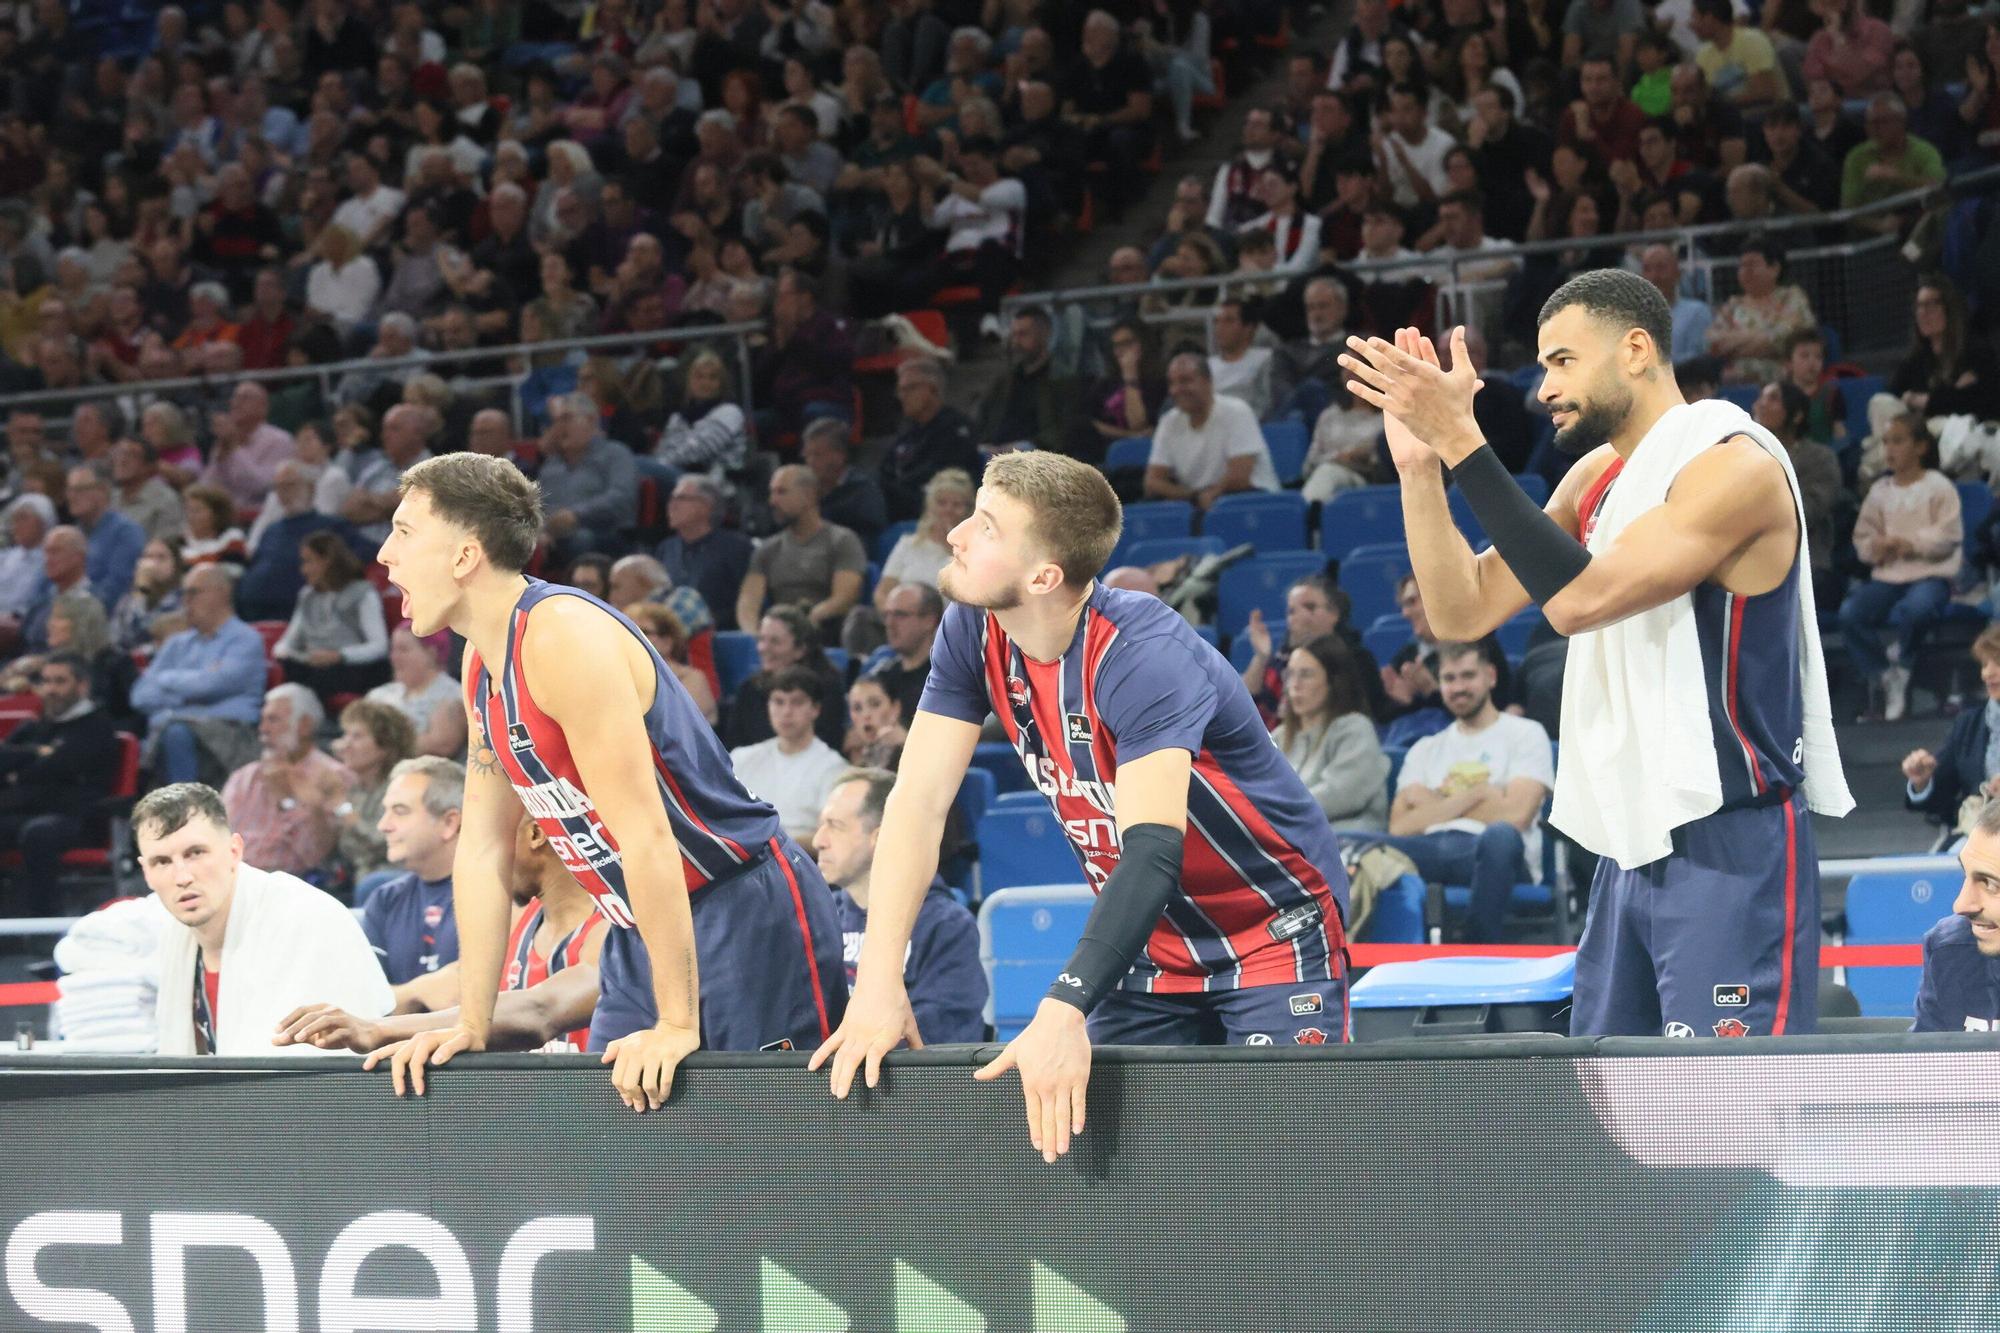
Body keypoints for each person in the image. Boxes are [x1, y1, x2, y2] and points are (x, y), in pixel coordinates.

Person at [1338, 267, 1851, 1038]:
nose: (1544, 388)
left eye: (1562, 361)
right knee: (1612, 1099)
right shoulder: (1594, 477)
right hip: (1630, 833)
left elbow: (1579, 600)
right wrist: (1421, 468)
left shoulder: (1734, 465)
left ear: (1636, 350)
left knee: (1724, 1103)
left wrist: (1464, 439)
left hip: (1728, 835)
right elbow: (1459, 610)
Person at [812, 452, 1352, 1163]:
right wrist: (880, 984)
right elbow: (915, 805)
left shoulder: (1141, 654)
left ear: (1043, 577)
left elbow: (1152, 852)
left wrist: (1065, 1002)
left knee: (1276, 1168)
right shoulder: (972, 628)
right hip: (1149, 940)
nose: (956, 535)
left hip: (1268, 927)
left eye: (987, 526)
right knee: (1116, 1174)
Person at [373, 452, 846, 1109]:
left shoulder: (561, 636)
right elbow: (482, 849)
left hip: (737, 904)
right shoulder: (481, 661)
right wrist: (472, 1020)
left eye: (403, 531)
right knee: (618, 1144)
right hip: (637, 924)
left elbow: (646, 835)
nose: (385, 554)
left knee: (778, 1133)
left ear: (465, 556)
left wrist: (676, 1024)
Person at [274, 814, 609, 1059]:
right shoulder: (517, 921)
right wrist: (348, 1014)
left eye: (486, 841)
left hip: (597, 1117)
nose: (479, 859)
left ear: (535, 833)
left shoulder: (613, 929)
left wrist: (376, 1029)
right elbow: (447, 988)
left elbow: (540, 1008)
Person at [138, 781, 389, 1055]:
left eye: (196, 853)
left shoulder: (304, 916)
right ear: (146, 872)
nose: (182, 877)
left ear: (234, 850)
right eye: (162, 862)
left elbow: (327, 1064)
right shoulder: (173, 936)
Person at [1378, 642, 1553, 940]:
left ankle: (1476, 946)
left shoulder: (1526, 734)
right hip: (1428, 851)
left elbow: (1515, 817)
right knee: (1349, 843)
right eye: (1449, 678)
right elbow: (1400, 826)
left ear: (1491, 676)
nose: (1458, 687)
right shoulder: (1424, 748)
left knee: (1500, 836)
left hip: (1494, 854)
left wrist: (1433, 803)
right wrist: (1478, 794)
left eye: (1468, 676)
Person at [814, 767, 985, 1043]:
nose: (818, 841)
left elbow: (944, 1035)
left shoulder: (945, 926)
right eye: (821, 825)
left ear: (879, 837)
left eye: (835, 826)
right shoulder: (818, 917)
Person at [1839, 413, 1960, 722]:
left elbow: (1949, 536)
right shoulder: (1880, 490)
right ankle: (1884, 673)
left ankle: (1903, 663)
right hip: (1889, 575)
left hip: (1930, 574)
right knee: (1851, 612)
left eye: (1898, 441)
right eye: (1886, 442)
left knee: (1917, 608)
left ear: (1920, 446)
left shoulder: (1938, 486)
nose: (1890, 449)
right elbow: (1863, 537)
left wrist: (1912, 543)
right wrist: (1875, 547)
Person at [0, 652, 120, 915]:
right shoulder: (37, 726)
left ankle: (42, 926)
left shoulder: (97, 727)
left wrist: (19, 773)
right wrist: (34, 753)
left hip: (79, 818)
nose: (50, 689)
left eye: (60, 681)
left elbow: (59, 769)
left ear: (82, 685)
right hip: (29, 810)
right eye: (46, 681)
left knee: (38, 834)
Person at [131, 565, 267, 786]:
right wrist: (193, 685)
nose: (185, 601)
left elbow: (212, 685)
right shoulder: (177, 644)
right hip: (175, 730)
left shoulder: (245, 640)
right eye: (183, 593)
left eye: (193, 592)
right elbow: (140, 696)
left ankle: (187, 804)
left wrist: (166, 679)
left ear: (222, 593)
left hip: (231, 733)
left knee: (174, 732)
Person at [220, 682, 357, 879]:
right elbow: (219, 838)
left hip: (291, 883)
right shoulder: (243, 777)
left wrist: (287, 800)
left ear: (304, 726)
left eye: (273, 720)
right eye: (262, 720)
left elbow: (316, 855)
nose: (263, 729)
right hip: (230, 877)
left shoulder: (334, 777)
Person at [362, 756, 465, 993]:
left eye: (400, 811)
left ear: (449, 823)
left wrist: (401, 996)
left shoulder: (496, 895)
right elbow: (366, 999)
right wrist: (421, 991)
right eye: (385, 811)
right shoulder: (385, 899)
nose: (383, 825)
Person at [735, 464, 867, 644]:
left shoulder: (842, 540)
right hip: (778, 637)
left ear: (808, 496)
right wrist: (753, 634)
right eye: (772, 492)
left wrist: (806, 621)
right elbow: (748, 600)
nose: (772, 501)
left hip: (824, 635)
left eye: (781, 492)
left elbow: (845, 598)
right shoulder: (767, 549)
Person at [1273, 634, 1390, 832]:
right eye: (1290, 674)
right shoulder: (1279, 737)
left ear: (1334, 681)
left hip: (1347, 837)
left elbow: (1340, 795)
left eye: (1306, 674)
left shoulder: (1355, 729)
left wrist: (1274, 812)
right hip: (1291, 836)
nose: (1294, 685)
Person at [1144, 353, 1279, 510]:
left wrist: (1210, 495)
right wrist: (1192, 496)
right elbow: (1153, 482)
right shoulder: (1168, 422)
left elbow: (1240, 476)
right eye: (1172, 383)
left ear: (1208, 382)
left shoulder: (1237, 411)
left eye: (1185, 381)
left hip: (1252, 500)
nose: (1176, 390)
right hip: (1200, 501)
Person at [729, 667, 850, 842]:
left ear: (815, 709)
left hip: (798, 856)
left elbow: (832, 835)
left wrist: (769, 843)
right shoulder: (741, 758)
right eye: (779, 702)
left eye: (797, 702)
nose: (786, 712)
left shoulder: (834, 768)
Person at [272, 530, 391, 705]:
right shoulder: (307, 596)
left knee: (324, 677)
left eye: (309, 561)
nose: (304, 570)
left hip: (350, 667)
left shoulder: (363, 593)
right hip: (313, 665)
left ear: (327, 561)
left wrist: (339, 655)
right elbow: (285, 645)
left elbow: (379, 646)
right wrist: (304, 657)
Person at [1912, 797, 2000, 1032]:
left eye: (1991, 884)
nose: (1961, 905)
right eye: (1966, 874)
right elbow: (1928, 1053)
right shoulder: (1950, 948)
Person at [1903, 627, 2000, 839]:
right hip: (1978, 841)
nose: (1987, 673)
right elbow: (1941, 799)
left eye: (1997, 663)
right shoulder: (1968, 724)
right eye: (1985, 664)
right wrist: (1923, 782)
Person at [727, 605, 850, 750]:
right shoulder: (749, 689)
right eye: (761, 639)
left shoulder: (826, 689)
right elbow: (733, 746)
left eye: (775, 641)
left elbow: (828, 742)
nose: (763, 648)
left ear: (800, 649)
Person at [330, 697, 417, 886]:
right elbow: (347, 850)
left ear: (385, 747)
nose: (345, 745)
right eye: (346, 735)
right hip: (355, 881)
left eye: (357, 737)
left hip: (394, 882)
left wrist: (343, 809)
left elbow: (383, 843)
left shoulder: (402, 790)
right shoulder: (354, 790)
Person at [1705, 236, 1815, 385]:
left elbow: (1790, 337)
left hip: (1784, 384)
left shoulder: (1791, 297)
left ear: (1775, 268)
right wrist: (1763, 339)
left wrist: (1735, 343)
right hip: (1738, 384)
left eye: (1753, 265)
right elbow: (1713, 343)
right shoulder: (1733, 305)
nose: (1745, 271)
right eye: (1742, 266)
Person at [882, 358, 980, 523]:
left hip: (940, 512)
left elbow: (944, 476)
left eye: (909, 388)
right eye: (900, 390)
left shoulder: (956, 429)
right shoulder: (908, 434)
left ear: (932, 389)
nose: (902, 396)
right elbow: (885, 471)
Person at [656, 475, 755, 631]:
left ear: (706, 506)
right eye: (671, 499)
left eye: (681, 498)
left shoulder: (736, 548)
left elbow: (747, 599)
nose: (672, 505)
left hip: (718, 634)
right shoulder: (666, 548)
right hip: (669, 635)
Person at [877, 470, 974, 608]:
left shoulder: (975, 551)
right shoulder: (908, 544)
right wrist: (895, 616)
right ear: (931, 506)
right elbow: (882, 593)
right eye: (941, 503)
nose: (948, 510)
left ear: (968, 510)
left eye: (957, 505)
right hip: (906, 616)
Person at [366, 625, 467, 757]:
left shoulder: (453, 697)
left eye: (403, 649)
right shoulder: (379, 695)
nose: (394, 657)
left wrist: (375, 744)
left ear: (431, 653)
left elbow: (442, 745)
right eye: (393, 650)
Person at [64, 466, 146, 608]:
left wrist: (70, 607)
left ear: (103, 490)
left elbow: (116, 589)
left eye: (79, 489)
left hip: (97, 614)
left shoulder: (126, 533)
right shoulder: (69, 535)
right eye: (69, 490)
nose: (71, 496)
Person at [627, 603, 719, 727]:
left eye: (644, 631)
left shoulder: (693, 679)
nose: (632, 636)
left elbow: (679, 723)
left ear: (667, 642)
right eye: (628, 630)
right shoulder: (622, 678)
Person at [844, 673, 909, 768]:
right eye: (857, 708)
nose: (866, 714)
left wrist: (908, 744)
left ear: (895, 708)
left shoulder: (918, 748)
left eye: (875, 704)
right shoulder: (847, 759)